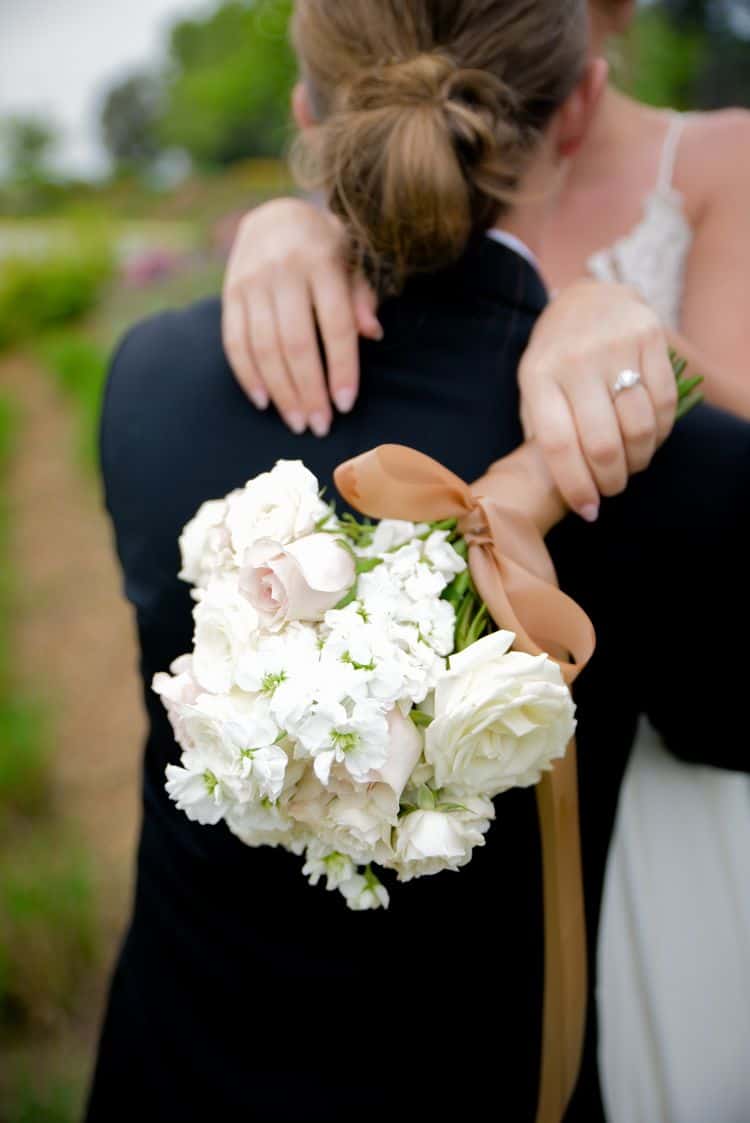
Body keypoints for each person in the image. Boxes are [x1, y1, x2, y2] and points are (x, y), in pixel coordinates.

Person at [85, 2, 750, 1121]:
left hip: (172, 1065)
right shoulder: (672, 468)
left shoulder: (147, 378)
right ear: (580, 106)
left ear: (308, 109)